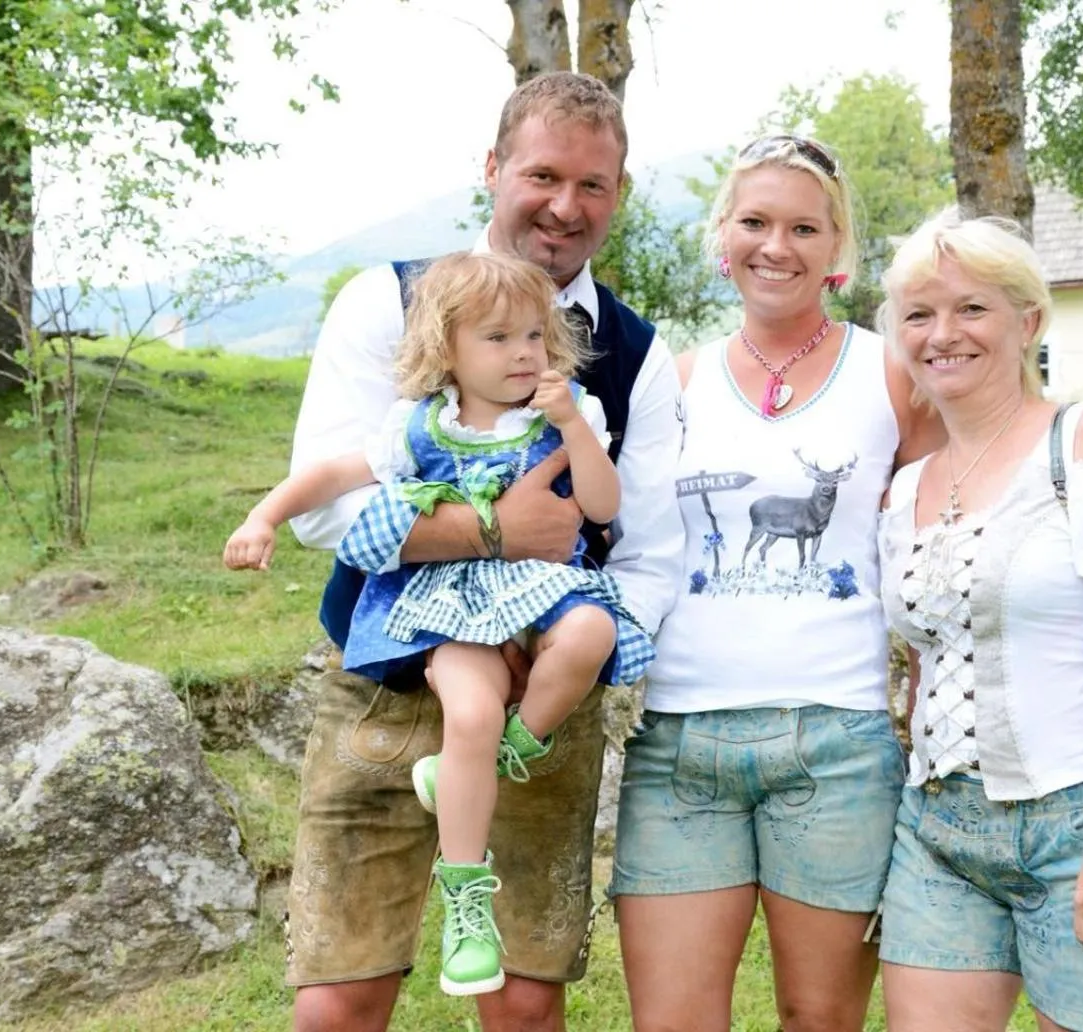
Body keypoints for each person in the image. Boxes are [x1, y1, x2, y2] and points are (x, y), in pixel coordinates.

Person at [281, 72, 683, 1032]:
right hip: (388, 677)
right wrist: (496, 534)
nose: (564, 205)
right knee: (339, 997)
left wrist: (552, 646)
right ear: (494, 168)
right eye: (542, 174)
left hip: (542, 698)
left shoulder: (635, 352)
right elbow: (325, 510)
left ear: (617, 195)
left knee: (524, 1000)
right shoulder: (387, 302)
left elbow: (651, 553)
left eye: (593, 185)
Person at [224, 251, 655, 998]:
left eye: (532, 335)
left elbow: (603, 503)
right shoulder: (418, 426)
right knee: (472, 709)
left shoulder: (567, 413)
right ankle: (465, 898)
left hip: (542, 592)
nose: (522, 352)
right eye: (497, 339)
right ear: (445, 350)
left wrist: (572, 428)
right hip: (450, 603)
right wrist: (264, 516)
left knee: (593, 635)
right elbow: (331, 477)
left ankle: (492, 761)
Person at [608, 135, 943, 1032]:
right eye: (754, 222)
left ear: (837, 247)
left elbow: (950, 535)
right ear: (723, 235)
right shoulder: (672, 383)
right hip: (680, 743)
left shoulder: (891, 372)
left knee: (820, 1018)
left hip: (835, 740)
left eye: (804, 227)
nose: (775, 246)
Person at [871, 207, 1083, 1032]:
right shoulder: (907, 486)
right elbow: (923, 657)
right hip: (937, 829)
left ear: (1028, 321)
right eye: (918, 314)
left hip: (1074, 818)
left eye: (971, 308)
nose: (942, 333)